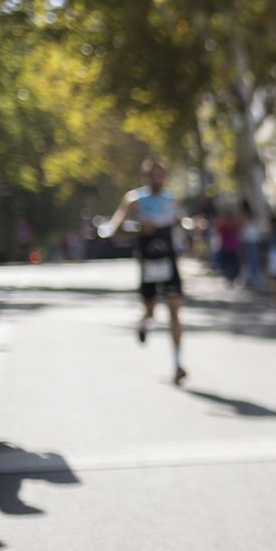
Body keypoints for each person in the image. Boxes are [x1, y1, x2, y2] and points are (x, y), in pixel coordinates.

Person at [104, 158, 187, 384]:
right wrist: (140, 228)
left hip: (169, 260)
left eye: (161, 175)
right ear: (145, 177)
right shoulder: (134, 199)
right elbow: (114, 229)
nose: (157, 179)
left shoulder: (171, 200)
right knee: (151, 311)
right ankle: (144, 322)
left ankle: (178, 364)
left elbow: (182, 222)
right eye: (152, 175)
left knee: (174, 310)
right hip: (149, 262)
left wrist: (194, 225)